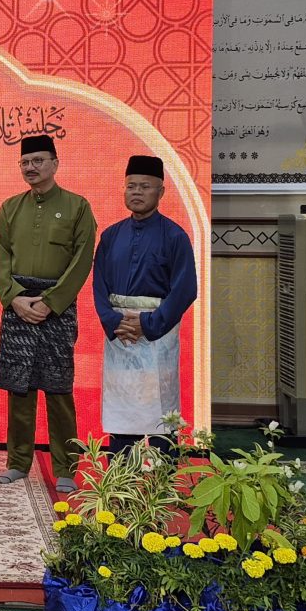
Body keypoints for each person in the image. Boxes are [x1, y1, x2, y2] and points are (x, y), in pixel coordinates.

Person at [0, 134, 95, 492]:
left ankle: (66, 466)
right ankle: (17, 462)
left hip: (57, 308)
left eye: (38, 160)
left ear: (55, 163)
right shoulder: (10, 208)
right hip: (18, 305)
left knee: (58, 387)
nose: (31, 167)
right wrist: (14, 298)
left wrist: (50, 302)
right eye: (25, 162)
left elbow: (82, 260)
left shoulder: (77, 206)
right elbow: (1, 258)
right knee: (18, 388)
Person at [92, 155, 198, 454]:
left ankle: (162, 477)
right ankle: (121, 474)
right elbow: (99, 285)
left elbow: (185, 289)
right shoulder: (111, 235)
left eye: (145, 186)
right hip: (120, 334)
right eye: (131, 186)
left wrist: (148, 324)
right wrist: (114, 321)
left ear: (161, 192)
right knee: (121, 408)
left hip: (157, 335)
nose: (137, 192)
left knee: (160, 410)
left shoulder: (175, 236)